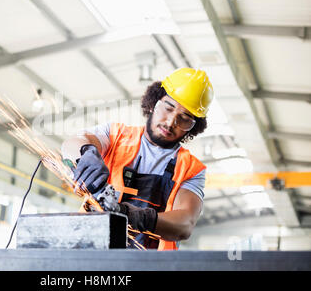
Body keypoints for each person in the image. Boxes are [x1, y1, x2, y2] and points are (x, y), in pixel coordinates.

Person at [61, 68, 214, 250]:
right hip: (90, 254)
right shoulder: (115, 135)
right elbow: (71, 144)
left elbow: (185, 225)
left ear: (193, 127)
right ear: (153, 103)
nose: (171, 122)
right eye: (168, 108)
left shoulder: (191, 169)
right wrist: (86, 152)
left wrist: (135, 216)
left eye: (184, 118)